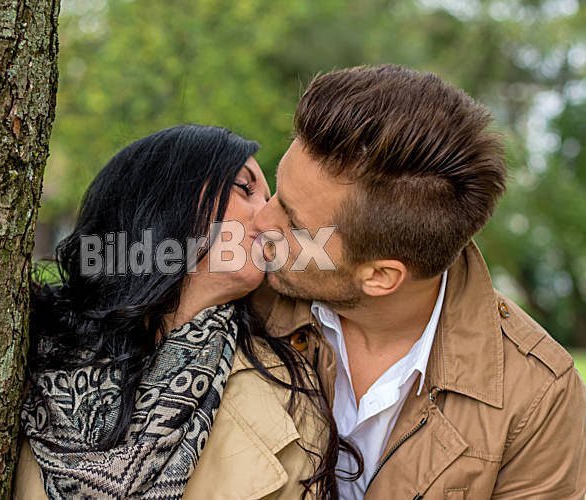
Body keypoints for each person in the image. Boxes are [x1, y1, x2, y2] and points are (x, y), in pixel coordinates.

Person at [251, 64, 586, 499]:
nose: (261, 221)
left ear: (380, 276)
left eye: (294, 225)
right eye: (277, 193)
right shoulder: (239, 291)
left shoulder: (538, 399)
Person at [13, 124, 362, 499]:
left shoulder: (291, 394)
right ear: (163, 200)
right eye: (244, 189)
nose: (266, 217)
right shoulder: (28, 357)